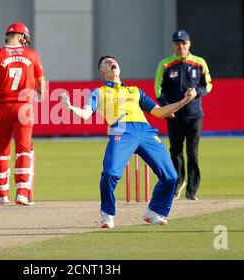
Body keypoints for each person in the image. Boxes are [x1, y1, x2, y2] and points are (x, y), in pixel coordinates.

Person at [60, 55, 197, 228]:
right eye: (106, 63)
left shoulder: (135, 91)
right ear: (102, 72)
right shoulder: (99, 92)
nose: (111, 63)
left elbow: (160, 112)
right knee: (110, 173)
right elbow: (86, 114)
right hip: (121, 132)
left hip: (146, 132)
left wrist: (185, 100)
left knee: (171, 176)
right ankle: (107, 214)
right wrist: (70, 107)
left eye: (113, 61)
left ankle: (154, 211)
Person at [0, 22, 46, 206]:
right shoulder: (32, 55)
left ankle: (2, 195)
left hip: (1, 107)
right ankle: (22, 194)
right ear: (21, 36)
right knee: (24, 150)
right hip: (24, 108)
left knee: (1, 151)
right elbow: (41, 84)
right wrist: (40, 96)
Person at [154, 30, 212, 201]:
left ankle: (192, 190)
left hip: (194, 115)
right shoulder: (165, 64)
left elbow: (208, 85)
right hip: (174, 115)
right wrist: (166, 107)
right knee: (175, 151)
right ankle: (178, 183)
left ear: (189, 44)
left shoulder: (199, 63)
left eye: (183, 43)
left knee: (192, 152)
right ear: (174, 45)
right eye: (177, 43)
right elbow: (158, 88)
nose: (181, 46)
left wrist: (197, 92)